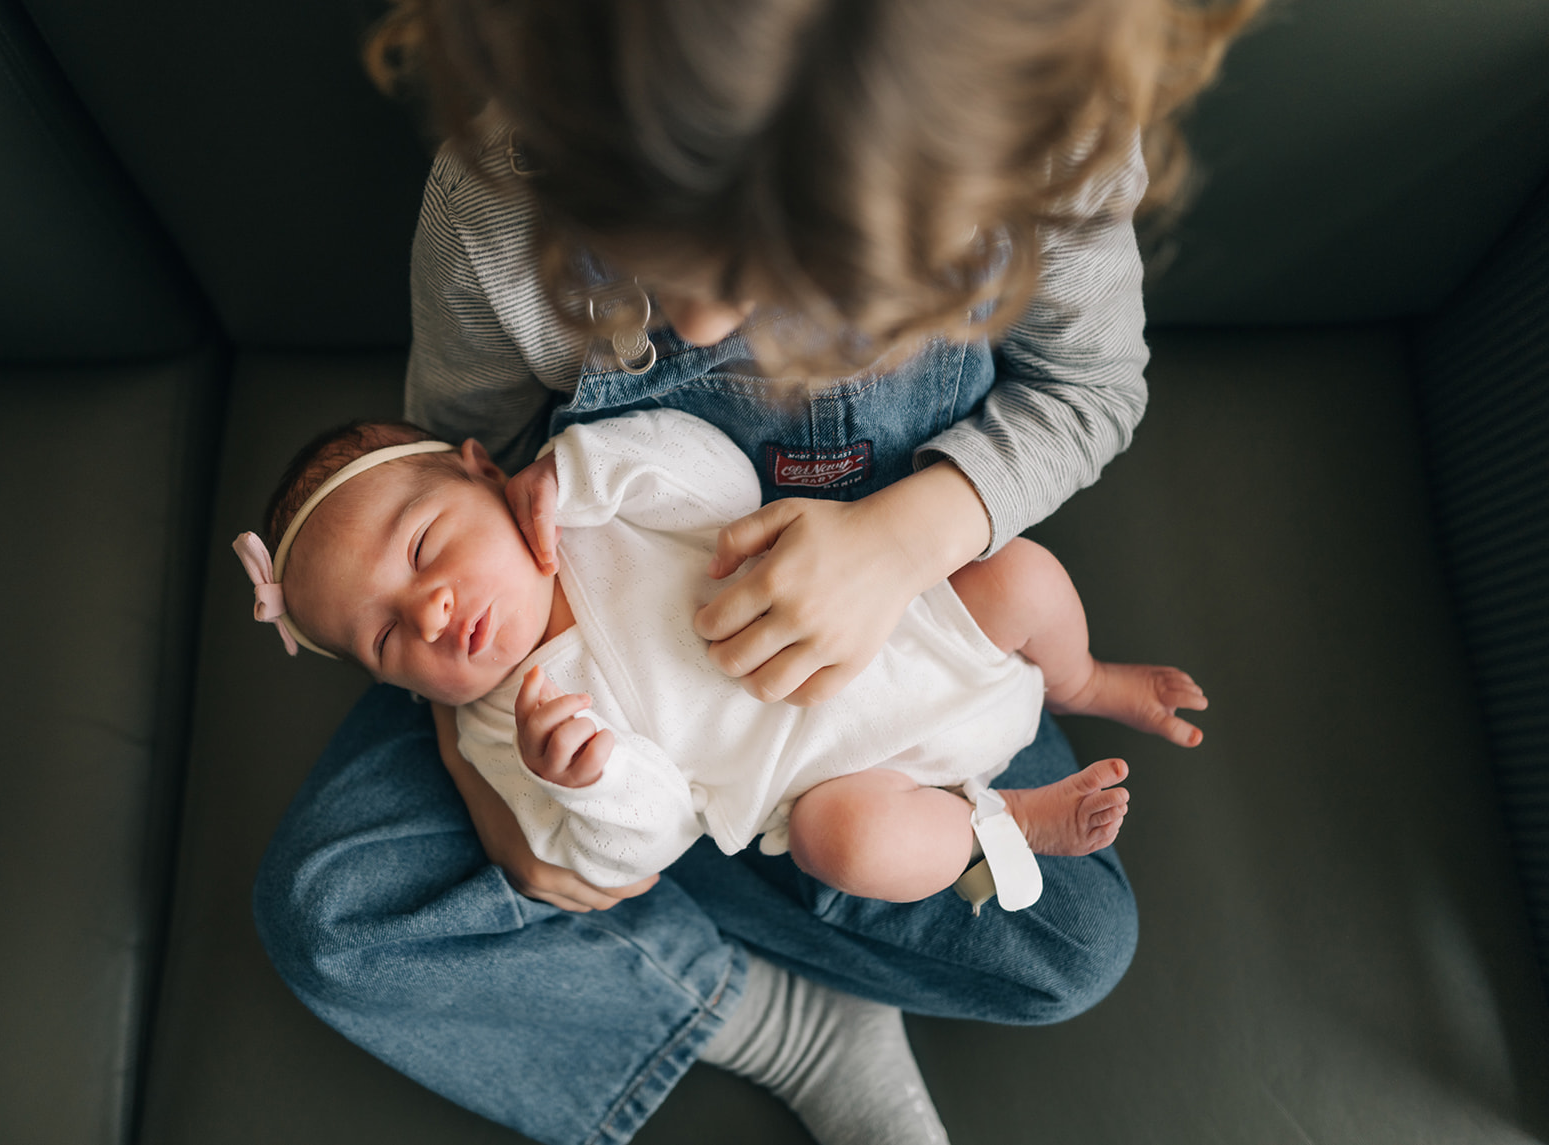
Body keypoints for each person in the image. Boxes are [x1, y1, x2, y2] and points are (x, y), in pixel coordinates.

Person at [251, 3, 1260, 1145]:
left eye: (768, 269)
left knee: (1072, 944)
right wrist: (485, 765)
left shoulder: (1038, 139)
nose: (696, 318)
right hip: (579, 663)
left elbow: (1090, 391)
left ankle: (730, 868)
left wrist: (903, 539)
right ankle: (783, 1019)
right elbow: (443, 469)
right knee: (331, 910)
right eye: (643, 246)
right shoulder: (500, 187)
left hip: (910, 640)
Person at [238, 409, 1207, 906]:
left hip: (921, 630)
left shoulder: (589, 506)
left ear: (486, 470)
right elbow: (640, 849)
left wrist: (579, 469)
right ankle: (1003, 820)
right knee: (849, 850)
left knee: (1021, 574)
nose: (434, 609)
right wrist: (588, 780)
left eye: (421, 548)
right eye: (386, 637)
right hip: (855, 782)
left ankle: (1082, 679)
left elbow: (716, 471)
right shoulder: (507, 729)